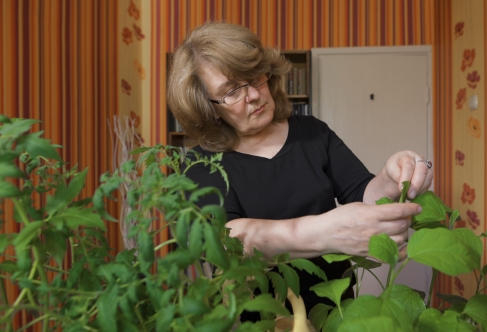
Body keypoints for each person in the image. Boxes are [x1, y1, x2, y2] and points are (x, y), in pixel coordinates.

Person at [166, 21, 433, 320]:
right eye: (231, 92)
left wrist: (390, 176)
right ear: (208, 108)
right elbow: (226, 240)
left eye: (255, 77)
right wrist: (327, 233)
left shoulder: (313, 133)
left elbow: (363, 192)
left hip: (335, 313)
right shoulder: (202, 163)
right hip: (258, 321)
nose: (253, 95)